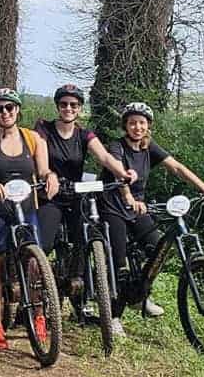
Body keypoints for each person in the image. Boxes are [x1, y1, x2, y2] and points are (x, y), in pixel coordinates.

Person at [99, 101, 204, 336]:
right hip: (113, 206)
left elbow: (177, 168)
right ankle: (114, 315)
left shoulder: (148, 147)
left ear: (148, 126)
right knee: (119, 259)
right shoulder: (117, 146)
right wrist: (128, 197)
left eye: (142, 123)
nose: (137, 127)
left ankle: (140, 294)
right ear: (125, 125)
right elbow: (117, 172)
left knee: (158, 248)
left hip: (139, 208)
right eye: (132, 123)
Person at [0, 88, 57, 350]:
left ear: (18, 110)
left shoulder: (34, 139)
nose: (5, 113)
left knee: (34, 262)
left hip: (26, 207)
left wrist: (50, 177)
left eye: (10, 108)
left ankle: (39, 315)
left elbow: (43, 169)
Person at [34, 84, 137, 256]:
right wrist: (48, 174)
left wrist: (123, 173)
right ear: (58, 106)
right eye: (64, 104)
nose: (68, 108)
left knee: (86, 235)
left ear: (80, 108)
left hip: (76, 194)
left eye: (73, 105)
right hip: (51, 194)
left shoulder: (84, 134)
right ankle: (34, 276)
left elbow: (104, 157)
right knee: (44, 243)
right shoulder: (44, 128)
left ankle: (80, 275)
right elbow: (42, 162)